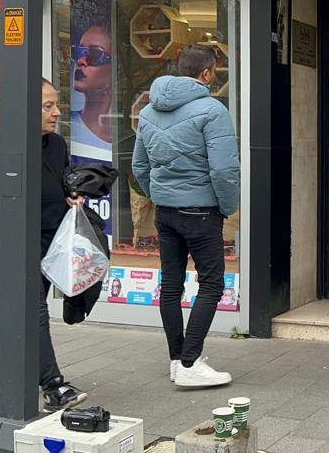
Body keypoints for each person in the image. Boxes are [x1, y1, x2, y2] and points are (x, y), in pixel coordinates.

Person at [0, 78, 89, 412]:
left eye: (56, 104)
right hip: (15, 240)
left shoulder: (56, 145)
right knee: (33, 308)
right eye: (47, 106)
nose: (56, 112)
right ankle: (54, 385)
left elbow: (61, 180)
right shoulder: (5, 149)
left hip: (49, 238)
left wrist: (72, 195)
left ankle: (0, 367)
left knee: (27, 307)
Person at [133, 44, 240, 388]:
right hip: (201, 212)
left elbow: (139, 165)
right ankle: (190, 362)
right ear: (207, 73)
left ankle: (177, 361)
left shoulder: (149, 110)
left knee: (170, 286)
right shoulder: (212, 109)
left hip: (166, 213)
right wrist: (227, 207)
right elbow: (224, 170)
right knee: (211, 284)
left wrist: (159, 195)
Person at [71, 25, 112, 156]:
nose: (81, 61)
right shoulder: (65, 126)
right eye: (78, 52)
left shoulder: (126, 137)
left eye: (95, 55)